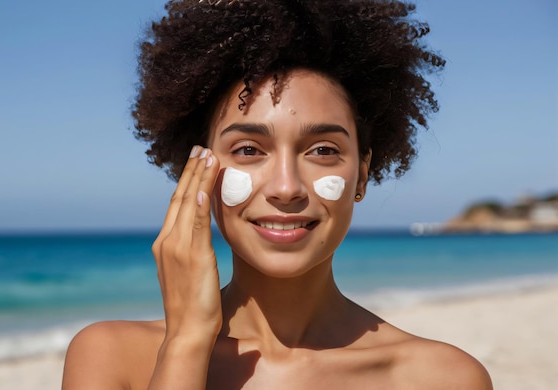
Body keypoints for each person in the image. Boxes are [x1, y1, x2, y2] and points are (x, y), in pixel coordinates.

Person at [62, 0, 492, 388]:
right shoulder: (110, 358)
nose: (287, 188)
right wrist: (186, 343)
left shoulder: (442, 379)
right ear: (198, 171)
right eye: (249, 150)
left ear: (362, 175)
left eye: (323, 150)